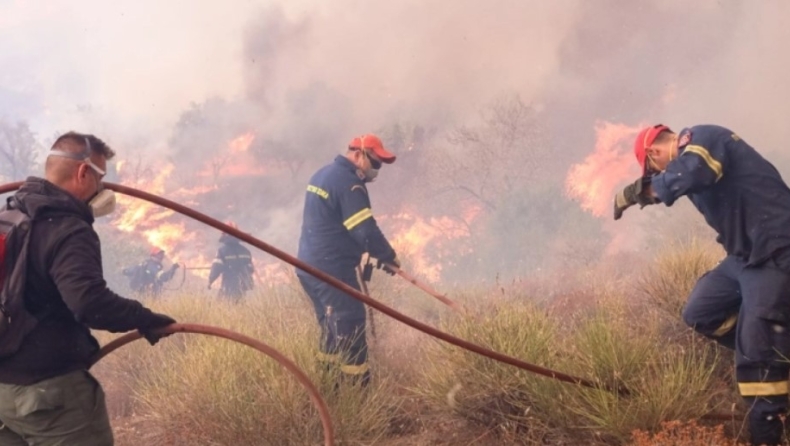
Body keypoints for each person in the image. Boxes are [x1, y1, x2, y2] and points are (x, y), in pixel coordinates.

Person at [614, 124, 790, 445]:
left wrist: (638, 192)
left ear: (654, 153)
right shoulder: (687, 164)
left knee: (757, 362)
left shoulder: (701, 139)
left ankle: (769, 433)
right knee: (701, 312)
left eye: (653, 170)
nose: (658, 176)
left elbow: (693, 173)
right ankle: (775, 344)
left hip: (776, 252)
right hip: (743, 258)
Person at [0, 131, 176, 445]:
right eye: (100, 178)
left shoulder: (9, 215)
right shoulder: (69, 228)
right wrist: (143, 317)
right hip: (50, 394)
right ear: (83, 173)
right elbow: (89, 302)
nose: (103, 188)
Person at [296, 134, 400, 386]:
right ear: (358, 154)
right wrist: (388, 256)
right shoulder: (349, 184)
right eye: (375, 163)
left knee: (331, 328)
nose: (377, 170)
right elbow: (364, 229)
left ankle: (328, 389)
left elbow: (333, 225)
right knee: (351, 325)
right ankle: (357, 397)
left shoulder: (322, 175)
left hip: (308, 267)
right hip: (332, 270)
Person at [208, 222, 255, 301]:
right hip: (242, 286)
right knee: (239, 305)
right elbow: (250, 269)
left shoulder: (222, 251)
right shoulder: (246, 251)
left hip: (229, 284)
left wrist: (210, 281)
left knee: (221, 306)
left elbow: (216, 268)